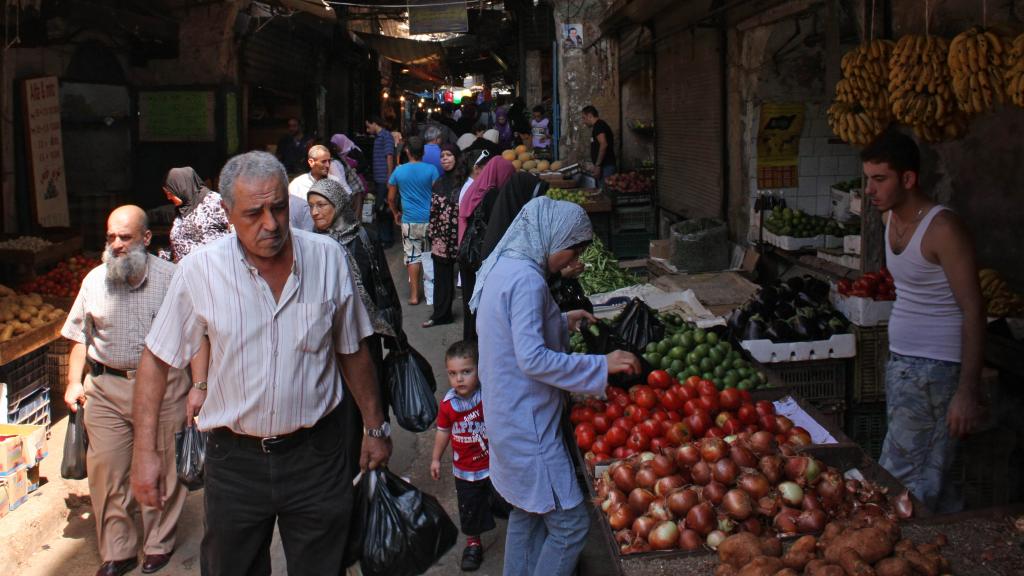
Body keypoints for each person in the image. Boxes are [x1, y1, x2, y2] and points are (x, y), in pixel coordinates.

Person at [130, 151, 392, 576]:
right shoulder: (200, 271)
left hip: (318, 456)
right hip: (235, 463)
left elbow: (352, 349)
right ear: (228, 214)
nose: (270, 224)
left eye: (278, 208)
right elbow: (156, 361)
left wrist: (374, 426)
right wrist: (145, 454)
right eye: (254, 213)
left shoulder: (328, 258)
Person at [470, 196, 640, 576]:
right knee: (570, 525)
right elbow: (532, 358)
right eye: (573, 249)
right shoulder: (528, 280)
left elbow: (511, 332)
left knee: (527, 512)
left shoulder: (505, 265)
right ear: (553, 237)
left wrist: (561, 321)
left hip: (505, 413)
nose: (571, 260)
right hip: (528, 424)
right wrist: (601, 364)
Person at [62, 205, 192, 576]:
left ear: (147, 239)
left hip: (165, 388)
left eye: (125, 237)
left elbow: (198, 335)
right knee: (106, 472)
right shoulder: (93, 281)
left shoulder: (173, 278)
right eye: (111, 238)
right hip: (105, 388)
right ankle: (117, 550)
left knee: (164, 467)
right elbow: (77, 337)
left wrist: (199, 386)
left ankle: (158, 542)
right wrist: (74, 381)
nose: (116, 245)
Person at [862, 132, 985, 514]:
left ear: (909, 179)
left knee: (902, 478)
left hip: (936, 372)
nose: (870, 189)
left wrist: (966, 391)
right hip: (903, 365)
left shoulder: (943, 229)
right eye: (867, 178)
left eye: (880, 179)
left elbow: (974, 310)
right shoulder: (887, 218)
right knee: (931, 474)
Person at [307, 177, 401, 475]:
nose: (315, 213)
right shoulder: (313, 245)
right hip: (330, 337)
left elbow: (383, 283)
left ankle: (377, 465)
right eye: (311, 207)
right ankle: (347, 469)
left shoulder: (364, 236)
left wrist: (396, 330)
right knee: (342, 406)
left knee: (371, 397)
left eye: (321, 205)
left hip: (368, 333)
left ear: (338, 205)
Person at [430, 340, 510, 572]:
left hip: (494, 465)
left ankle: (519, 529)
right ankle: (473, 543)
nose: (459, 379)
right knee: (470, 508)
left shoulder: (487, 397)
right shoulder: (448, 405)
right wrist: (436, 458)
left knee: (505, 499)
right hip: (465, 470)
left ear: (479, 370)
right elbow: (443, 432)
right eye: (453, 374)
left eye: (466, 372)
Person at [457, 156, 515, 341]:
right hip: (480, 258)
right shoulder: (492, 195)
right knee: (480, 307)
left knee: (470, 305)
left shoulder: (475, 189)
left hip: (467, 254)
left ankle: (469, 346)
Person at [388, 136, 440, 306]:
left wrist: (396, 212)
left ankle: (414, 295)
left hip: (409, 220)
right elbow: (437, 194)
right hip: (429, 219)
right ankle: (432, 296)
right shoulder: (432, 170)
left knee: (412, 257)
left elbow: (390, 198)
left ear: (407, 151)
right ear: (423, 152)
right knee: (430, 255)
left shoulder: (398, 171)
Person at [424, 144, 465, 328]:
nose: (445, 159)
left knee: (468, 275)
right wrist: (431, 232)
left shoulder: (464, 182)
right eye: (442, 156)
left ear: (457, 157)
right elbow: (433, 211)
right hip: (441, 236)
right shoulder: (439, 182)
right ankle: (441, 315)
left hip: (462, 234)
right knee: (442, 277)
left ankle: (475, 318)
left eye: (449, 155)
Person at [162, 167, 231, 263]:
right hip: (185, 272)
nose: (168, 197)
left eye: (170, 193)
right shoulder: (182, 210)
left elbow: (236, 230)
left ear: (181, 186)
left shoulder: (213, 201)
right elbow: (183, 241)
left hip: (212, 269)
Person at [288, 145, 342, 232]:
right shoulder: (298, 185)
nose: (328, 165)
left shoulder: (335, 182)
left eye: (329, 161)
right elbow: (291, 217)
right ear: (311, 162)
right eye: (323, 161)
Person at [367, 115, 396, 247]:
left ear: (375, 123)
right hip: (380, 179)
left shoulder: (386, 136)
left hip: (384, 179)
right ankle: (383, 238)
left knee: (383, 209)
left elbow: (389, 156)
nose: (367, 130)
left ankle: (386, 239)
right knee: (382, 209)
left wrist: (389, 178)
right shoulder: (379, 137)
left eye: (368, 126)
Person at [328, 133, 368, 222]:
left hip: (355, 186)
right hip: (351, 187)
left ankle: (356, 233)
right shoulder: (337, 156)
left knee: (355, 217)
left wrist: (354, 170)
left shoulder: (353, 151)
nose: (335, 148)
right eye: (333, 146)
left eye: (336, 145)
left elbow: (364, 164)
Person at [582, 105, 616, 182]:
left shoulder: (599, 126)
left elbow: (603, 144)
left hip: (606, 167)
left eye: (584, 118)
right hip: (604, 167)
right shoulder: (598, 126)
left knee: (605, 192)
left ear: (590, 116)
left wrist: (597, 166)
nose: (583, 121)